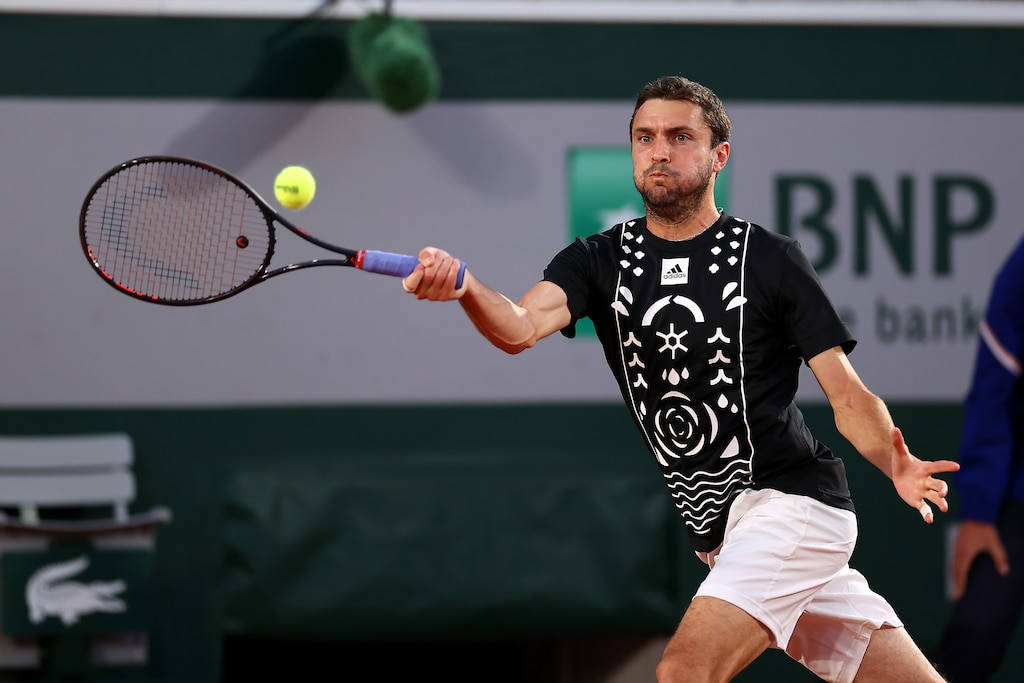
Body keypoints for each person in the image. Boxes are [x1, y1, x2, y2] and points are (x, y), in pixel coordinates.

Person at [402, 75, 958, 683]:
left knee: (684, 671)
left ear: (719, 155)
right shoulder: (596, 261)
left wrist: (896, 463)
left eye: (679, 136)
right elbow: (517, 326)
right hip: (723, 537)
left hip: (792, 507)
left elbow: (847, 394)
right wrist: (465, 287)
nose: (658, 151)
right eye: (645, 137)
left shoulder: (769, 259)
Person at [933, 236, 1024, 682]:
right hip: (1016, 500)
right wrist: (981, 514)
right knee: (974, 633)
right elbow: (993, 393)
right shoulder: (1021, 267)